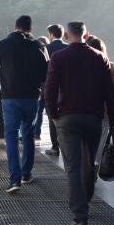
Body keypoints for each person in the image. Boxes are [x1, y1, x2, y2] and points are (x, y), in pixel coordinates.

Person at [44, 21, 114, 225]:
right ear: (85, 36)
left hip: (68, 117)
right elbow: (110, 92)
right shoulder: (99, 57)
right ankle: (84, 200)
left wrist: (53, 116)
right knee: (89, 164)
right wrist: (112, 120)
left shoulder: (59, 57)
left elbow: (50, 90)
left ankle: (80, 217)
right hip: (93, 118)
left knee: (73, 167)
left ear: (66, 36)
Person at [0, 15, 49, 193]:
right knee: (28, 133)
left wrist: (3, 78)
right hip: (31, 97)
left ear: (15, 27)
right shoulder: (39, 46)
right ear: (30, 28)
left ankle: (14, 179)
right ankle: (27, 173)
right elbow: (46, 73)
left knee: (11, 136)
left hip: (10, 97)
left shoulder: (4, 44)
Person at [86, 35, 114, 166]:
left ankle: (86, 165)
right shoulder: (110, 66)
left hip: (85, 107)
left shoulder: (83, 65)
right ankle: (95, 165)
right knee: (101, 138)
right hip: (105, 109)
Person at [44, 24, 70, 157]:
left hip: (50, 86)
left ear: (52, 34)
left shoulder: (46, 48)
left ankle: (55, 146)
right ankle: (66, 143)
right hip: (67, 87)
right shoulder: (68, 48)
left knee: (51, 117)